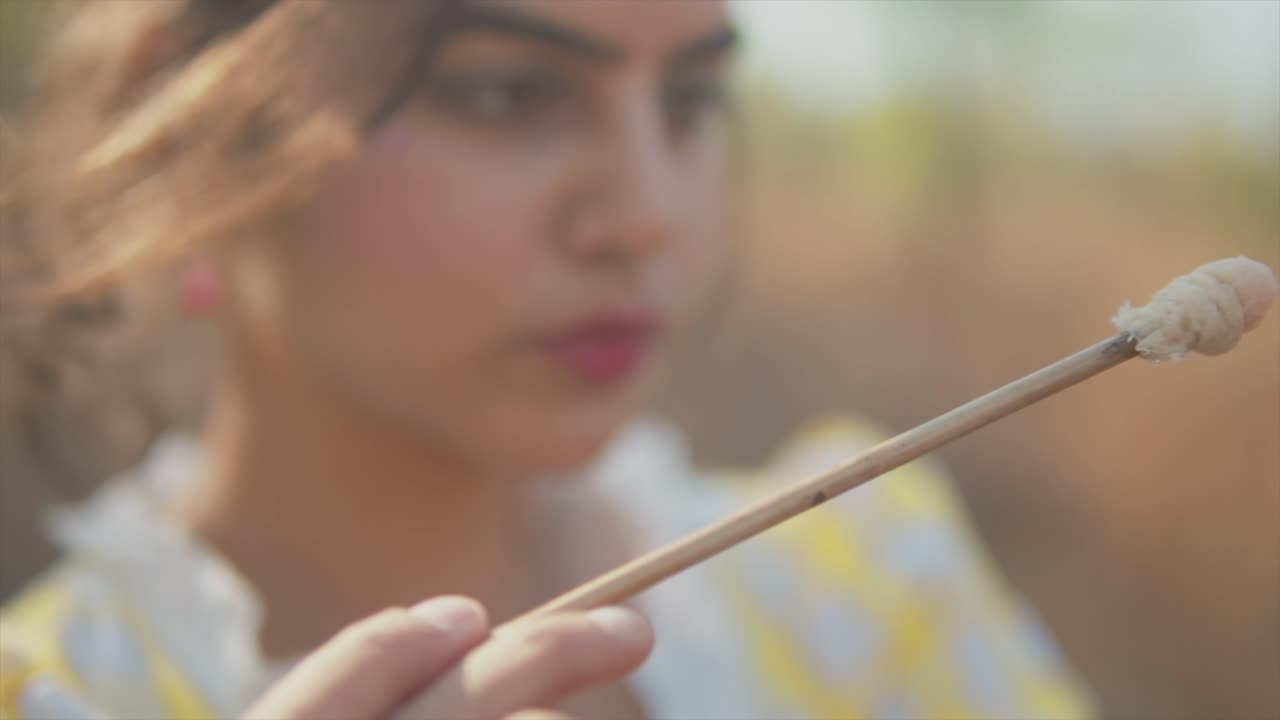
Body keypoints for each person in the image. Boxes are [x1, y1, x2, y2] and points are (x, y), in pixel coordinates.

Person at [0, 1, 1095, 718]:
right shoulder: (53, 693)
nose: (648, 214)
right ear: (188, 135)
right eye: (507, 92)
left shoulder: (862, 596)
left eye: (689, 100)